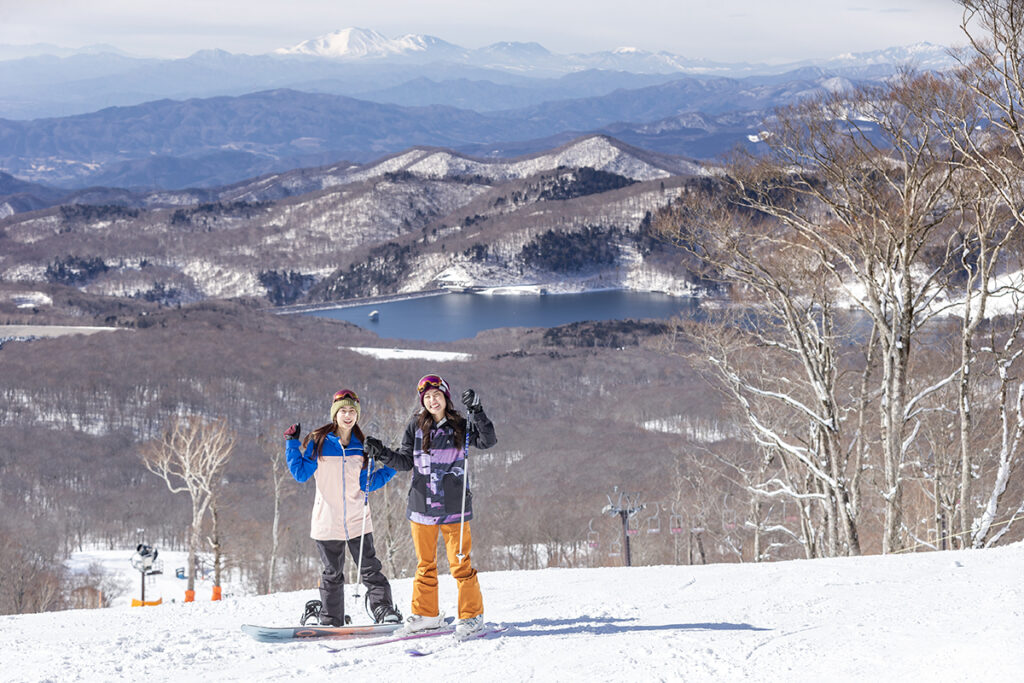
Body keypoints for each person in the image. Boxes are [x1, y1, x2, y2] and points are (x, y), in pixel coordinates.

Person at [364, 374, 497, 639]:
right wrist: (381, 453)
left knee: (460, 565)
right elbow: (404, 461)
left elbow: (488, 440)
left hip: (454, 507)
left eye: (436, 395)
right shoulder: (416, 426)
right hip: (421, 506)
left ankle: (471, 617)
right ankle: (426, 615)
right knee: (425, 565)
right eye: (427, 397)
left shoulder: (461, 424)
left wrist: (478, 410)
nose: (432, 400)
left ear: (446, 398)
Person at [285, 388, 403, 626]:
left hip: (358, 518)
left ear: (357, 414)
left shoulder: (362, 446)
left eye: (352, 411)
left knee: (370, 569)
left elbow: (367, 483)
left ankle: (384, 611)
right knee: (332, 573)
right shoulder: (318, 442)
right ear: (334, 415)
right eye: (343, 411)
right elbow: (300, 473)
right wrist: (291, 443)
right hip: (327, 519)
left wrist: (392, 465)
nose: (347, 415)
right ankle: (331, 618)